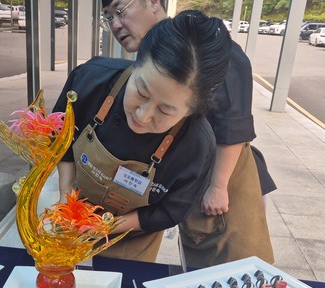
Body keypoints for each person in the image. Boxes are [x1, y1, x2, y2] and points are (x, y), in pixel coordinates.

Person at [101, 0, 276, 269]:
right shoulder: (148, 55)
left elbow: (232, 125)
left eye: (120, 10)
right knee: (129, 263)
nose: (116, 24)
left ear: (153, 3)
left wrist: (218, 187)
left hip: (218, 172)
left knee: (223, 268)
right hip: (162, 171)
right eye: (108, 17)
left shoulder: (206, 51)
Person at [53, 11, 231, 262]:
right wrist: (66, 196)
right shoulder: (90, 79)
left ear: (191, 112)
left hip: (131, 233)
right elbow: (60, 139)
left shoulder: (196, 145)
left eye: (165, 111)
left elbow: (170, 210)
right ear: (136, 64)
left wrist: (105, 226)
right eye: (141, 92)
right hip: (72, 205)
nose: (143, 116)